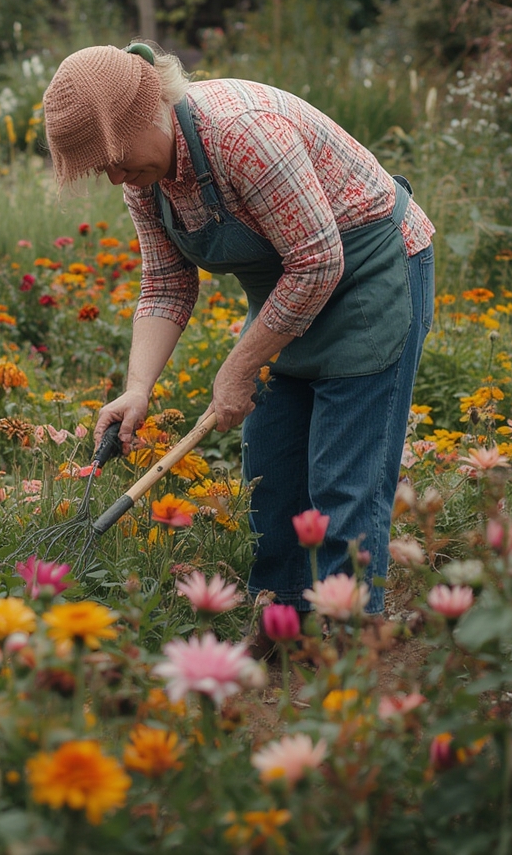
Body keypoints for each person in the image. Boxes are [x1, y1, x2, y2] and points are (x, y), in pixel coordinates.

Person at [42, 41, 435, 625]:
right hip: (292, 288)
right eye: (104, 167)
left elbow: (320, 259)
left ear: (151, 111)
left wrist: (239, 364)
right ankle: (283, 629)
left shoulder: (241, 134)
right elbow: (166, 283)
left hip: (368, 276)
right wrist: (138, 388)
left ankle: (349, 651)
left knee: (343, 486)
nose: (117, 175)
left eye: (118, 157)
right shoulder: (143, 178)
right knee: (269, 474)